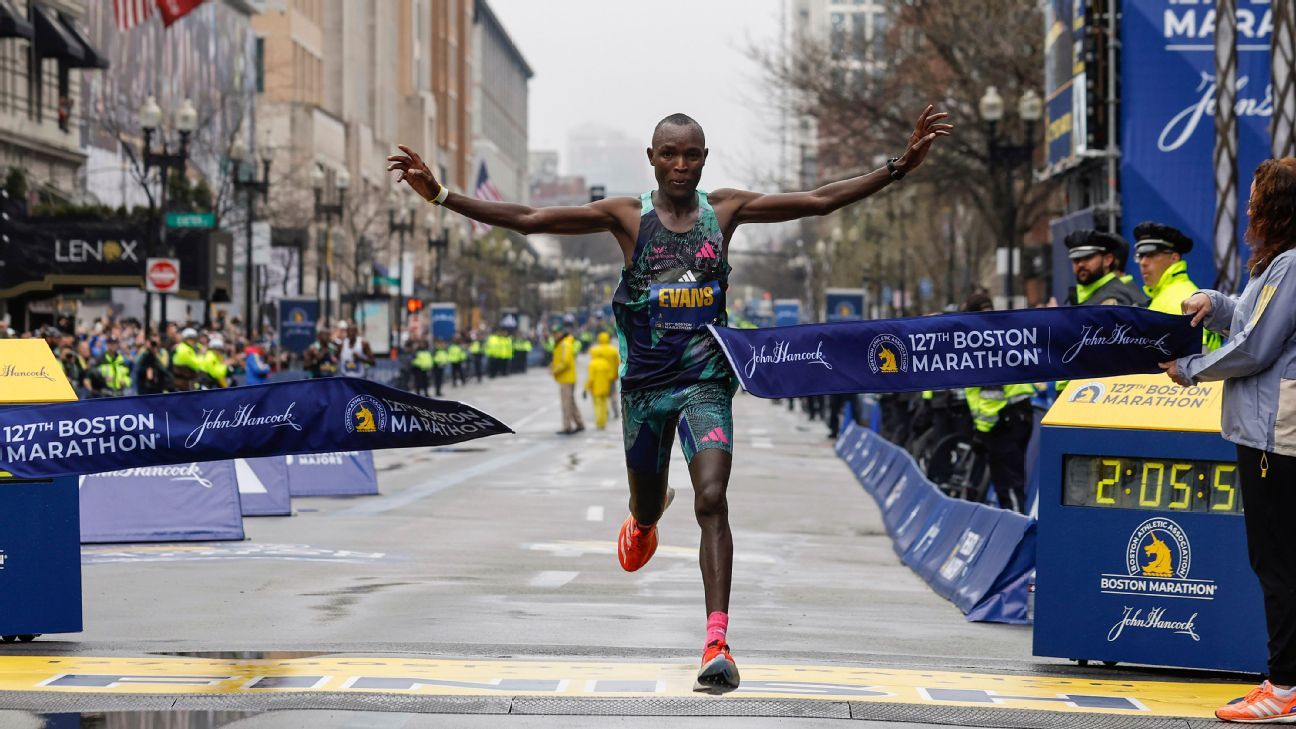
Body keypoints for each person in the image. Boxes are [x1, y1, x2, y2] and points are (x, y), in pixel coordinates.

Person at [387, 104, 951, 693]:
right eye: (670, 154)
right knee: (650, 504)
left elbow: (816, 200)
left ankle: (717, 641)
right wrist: (443, 195)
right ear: (651, 159)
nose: (680, 165)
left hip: (706, 383)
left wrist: (897, 167)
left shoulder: (725, 211)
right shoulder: (626, 217)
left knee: (713, 498)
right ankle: (645, 517)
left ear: (704, 160)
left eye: (692, 155)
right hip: (645, 392)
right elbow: (530, 217)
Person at [1162, 158, 1296, 723]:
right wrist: (1212, 303)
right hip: (1267, 431)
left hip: (1275, 437)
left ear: (1278, 207)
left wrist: (1189, 368)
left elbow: (1254, 348)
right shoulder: (1278, 264)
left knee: (1278, 563)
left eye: (1257, 198)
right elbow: (1247, 319)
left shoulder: (1290, 264)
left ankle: (1285, 688)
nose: (1247, 208)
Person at [1133, 221, 1222, 351]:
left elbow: (1199, 357)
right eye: (1140, 256)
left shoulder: (1184, 298)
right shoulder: (1165, 295)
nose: (1143, 262)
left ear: (1174, 258)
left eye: (1151, 254)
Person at [1062, 230, 1148, 306]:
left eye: (1088, 257)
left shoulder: (1115, 296)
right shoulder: (1085, 294)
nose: (1080, 264)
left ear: (1108, 260)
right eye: (1076, 260)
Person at [550, 324, 583, 435]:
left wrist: (555, 370)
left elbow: (565, 362)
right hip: (567, 378)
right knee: (571, 402)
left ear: (560, 333)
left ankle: (567, 427)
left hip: (567, 379)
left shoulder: (564, 344)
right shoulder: (562, 344)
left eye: (556, 333)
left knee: (566, 404)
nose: (554, 336)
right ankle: (579, 423)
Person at [588, 330, 621, 420]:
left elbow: (593, 363)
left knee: (602, 395)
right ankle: (615, 411)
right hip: (611, 376)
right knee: (613, 394)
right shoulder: (613, 350)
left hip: (600, 376)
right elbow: (617, 364)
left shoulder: (594, 350)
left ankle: (605, 412)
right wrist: (615, 375)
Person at [585, 345, 615, 430]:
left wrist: (586, 388)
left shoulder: (592, 364)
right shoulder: (606, 363)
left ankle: (599, 423)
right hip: (605, 388)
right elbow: (610, 377)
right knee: (604, 405)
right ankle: (604, 423)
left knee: (597, 407)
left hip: (596, 389)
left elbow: (591, 379)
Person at [171, 327, 204, 391]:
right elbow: (197, 365)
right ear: (185, 339)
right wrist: (201, 354)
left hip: (187, 384)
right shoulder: (184, 349)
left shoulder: (188, 348)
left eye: (194, 339)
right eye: (190, 339)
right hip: (183, 386)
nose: (193, 341)